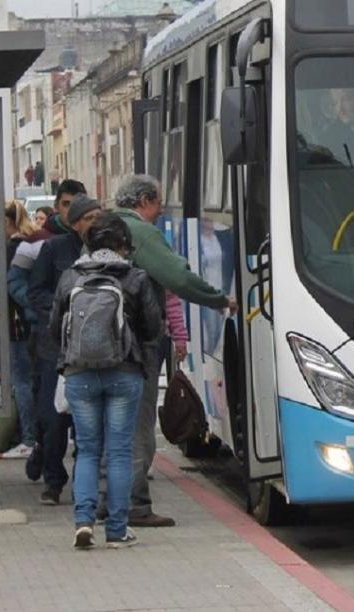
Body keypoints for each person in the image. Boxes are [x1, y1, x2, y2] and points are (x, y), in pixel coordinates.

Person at [114, 175, 236, 528]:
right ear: (145, 200)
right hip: (136, 345)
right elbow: (177, 278)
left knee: (111, 429)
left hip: (100, 346)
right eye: (159, 202)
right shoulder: (140, 233)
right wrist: (218, 299)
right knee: (138, 426)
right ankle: (135, 505)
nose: (162, 210)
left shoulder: (103, 229)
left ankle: (106, 503)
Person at [50, 214, 163, 549]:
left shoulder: (70, 277)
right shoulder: (135, 277)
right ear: (123, 245)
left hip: (79, 373)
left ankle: (83, 522)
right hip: (124, 374)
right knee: (119, 452)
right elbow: (152, 329)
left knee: (86, 450)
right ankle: (116, 529)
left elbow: (55, 329)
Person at [27, 193, 103, 505]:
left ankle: (89, 484)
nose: (95, 223)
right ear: (74, 223)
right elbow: (35, 292)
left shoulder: (110, 249)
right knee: (54, 418)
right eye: (89, 218)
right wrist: (66, 310)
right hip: (55, 347)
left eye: (99, 217)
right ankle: (53, 479)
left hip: (95, 348)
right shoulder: (54, 248)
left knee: (91, 420)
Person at [0, 202, 45, 459]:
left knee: (21, 382)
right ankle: (31, 436)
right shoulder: (33, 241)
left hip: (16, 324)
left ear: (6, 222)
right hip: (31, 322)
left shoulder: (12, 247)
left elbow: (5, 287)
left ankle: (29, 438)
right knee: (29, 380)